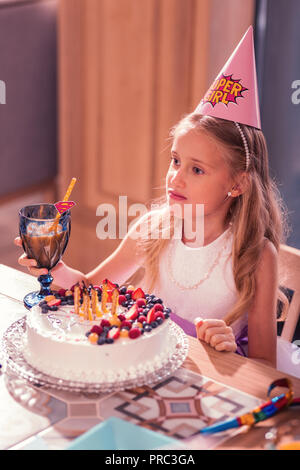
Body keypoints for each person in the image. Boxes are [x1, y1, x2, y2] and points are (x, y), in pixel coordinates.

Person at [14, 27, 299, 378]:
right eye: (176, 160)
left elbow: (266, 369)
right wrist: (54, 267)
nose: (175, 177)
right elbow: (89, 288)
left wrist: (226, 345)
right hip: (145, 373)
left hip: (209, 382)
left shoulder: (255, 257)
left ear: (237, 184)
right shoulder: (153, 228)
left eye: (197, 170)